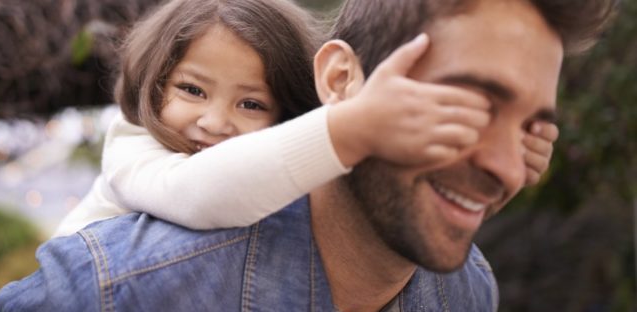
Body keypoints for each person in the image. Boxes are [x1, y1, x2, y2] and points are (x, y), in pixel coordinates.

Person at [0, 0, 614, 312]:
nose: (509, 167)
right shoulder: (113, 290)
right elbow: (204, 192)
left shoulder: (470, 294)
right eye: (462, 106)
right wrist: (354, 128)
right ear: (338, 83)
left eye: (531, 129)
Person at [52, 0, 556, 237]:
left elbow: (371, 201)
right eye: (191, 89)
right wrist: (351, 126)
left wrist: (499, 157)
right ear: (153, 83)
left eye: (251, 104)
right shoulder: (133, 147)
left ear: (287, 111)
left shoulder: (269, 165)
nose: (214, 121)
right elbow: (200, 194)